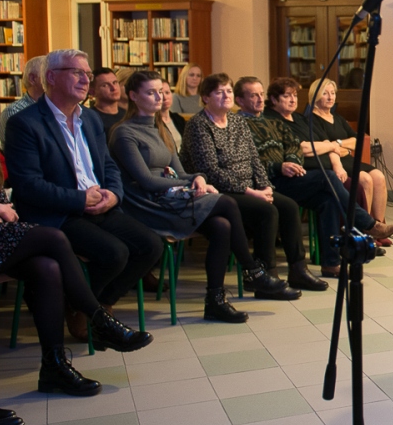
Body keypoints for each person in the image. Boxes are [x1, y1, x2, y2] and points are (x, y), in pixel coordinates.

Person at [0, 82, 152, 414]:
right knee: (53, 238)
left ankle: (54, 366)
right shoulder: (21, 124)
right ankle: (98, 318)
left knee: (47, 266)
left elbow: (3, 206)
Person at [109, 70, 298, 320]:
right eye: (150, 92)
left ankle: (215, 302)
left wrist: (196, 178)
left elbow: (180, 171)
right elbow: (146, 181)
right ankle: (253, 270)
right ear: (133, 96)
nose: (158, 97)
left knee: (221, 226)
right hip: (149, 204)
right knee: (227, 203)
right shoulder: (124, 133)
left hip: (173, 196)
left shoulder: (160, 127)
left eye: (161, 92)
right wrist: (191, 183)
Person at [3, 49, 164, 342]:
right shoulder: (25, 123)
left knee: (151, 246)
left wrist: (113, 194)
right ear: (51, 77)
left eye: (87, 74)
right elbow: (28, 185)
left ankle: (96, 304)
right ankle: (86, 310)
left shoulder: (88, 118)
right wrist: (79, 199)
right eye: (77, 72)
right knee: (114, 253)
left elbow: (108, 165)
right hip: (58, 213)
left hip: (99, 205)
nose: (85, 79)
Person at [234, 76, 393, 278]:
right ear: (240, 100)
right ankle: (367, 224)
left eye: (261, 94)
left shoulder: (273, 121)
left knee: (329, 200)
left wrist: (293, 160)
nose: (260, 99)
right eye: (254, 95)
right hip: (268, 182)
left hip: (292, 175)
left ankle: (331, 264)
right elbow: (251, 161)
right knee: (326, 177)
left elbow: (294, 147)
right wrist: (280, 166)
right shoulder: (242, 124)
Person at [180, 73, 327, 292]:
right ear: (206, 97)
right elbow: (210, 171)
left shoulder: (237, 121)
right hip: (218, 190)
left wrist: (265, 186)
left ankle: (298, 270)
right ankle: (265, 275)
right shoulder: (198, 125)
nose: (226, 96)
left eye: (228, 91)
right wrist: (250, 192)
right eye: (219, 92)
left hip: (250, 187)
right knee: (266, 211)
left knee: (288, 206)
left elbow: (254, 159)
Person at [304, 78, 390, 229]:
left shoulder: (337, 118)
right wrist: (342, 146)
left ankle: (379, 224)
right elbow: (324, 147)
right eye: (325, 93)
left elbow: (357, 140)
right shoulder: (311, 120)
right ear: (315, 95)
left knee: (379, 176)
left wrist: (337, 144)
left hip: (348, 159)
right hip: (330, 162)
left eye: (333, 93)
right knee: (365, 179)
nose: (330, 97)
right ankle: (364, 227)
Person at [0, 55, 46, 147]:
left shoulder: (56, 108)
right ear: (32, 79)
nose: (54, 79)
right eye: (48, 74)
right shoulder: (15, 112)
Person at [89, 67, 125, 137]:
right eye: (105, 85)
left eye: (115, 82)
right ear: (92, 92)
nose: (114, 88)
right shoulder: (90, 118)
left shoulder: (127, 115)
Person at [159, 83, 186, 152]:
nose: (165, 97)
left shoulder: (178, 119)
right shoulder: (151, 122)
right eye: (160, 93)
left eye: (167, 93)